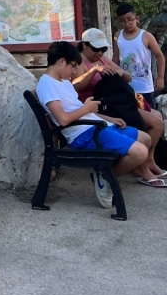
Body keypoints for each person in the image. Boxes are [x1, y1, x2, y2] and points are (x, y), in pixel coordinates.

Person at [36, 41, 163, 207]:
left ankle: (103, 172)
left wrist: (108, 118)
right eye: (73, 66)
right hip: (83, 135)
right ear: (61, 62)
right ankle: (104, 176)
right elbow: (63, 120)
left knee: (145, 138)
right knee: (140, 153)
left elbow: (78, 109)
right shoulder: (47, 85)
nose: (74, 71)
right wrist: (87, 108)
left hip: (95, 125)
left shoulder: (63, 81)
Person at [73, 27, 166, 179]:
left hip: (113, 104)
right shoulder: (79, 63)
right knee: (155, 123)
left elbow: (128, 78)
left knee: (156, 116)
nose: (100, 53)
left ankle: (149, 160)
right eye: (96, 49)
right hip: (97, 108)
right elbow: (75, 87)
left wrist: (119, 73)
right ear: (85, 45)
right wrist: (94, 72)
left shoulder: (102, 59)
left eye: (103, 49)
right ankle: (142, 166)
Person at [113, 4, 165, 111]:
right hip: (126, 87)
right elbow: (116, 58)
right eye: (122, 21)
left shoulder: (146, 36)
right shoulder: (117, 36)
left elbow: (160, 56)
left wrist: (160, 77)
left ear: (137, 19)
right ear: (118, 21)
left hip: (145, 87)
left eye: (129, 20)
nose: (127, 24)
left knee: (149, 117)